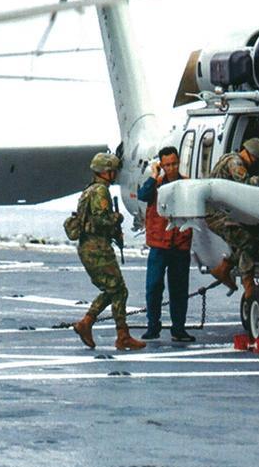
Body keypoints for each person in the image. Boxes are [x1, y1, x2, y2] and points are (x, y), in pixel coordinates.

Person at [71, 153, 146, 351]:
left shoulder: (90, 190)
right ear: (106, 172)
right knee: (119, 290)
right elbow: (99, 221)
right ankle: (122, 335)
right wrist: (117, 218)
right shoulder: (100, 191)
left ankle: (87, 323)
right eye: (113, 171)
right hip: (97, 248)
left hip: (90, 246)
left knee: (113, 289)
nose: (115, 174)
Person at [138, 146, 194, 342]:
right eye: (167, 165)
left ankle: (179, 329)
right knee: (153, 287)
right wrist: (154, 176)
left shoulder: (187, 184)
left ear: (179, 163)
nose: (171, 168)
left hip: (180, 245)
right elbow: (142, 195)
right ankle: (153, 326)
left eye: (174, 164)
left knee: (179, 289)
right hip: (159, 245)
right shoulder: (155, 185)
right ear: (161, 165)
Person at [205, 138, 259, 301]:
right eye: (255, 158)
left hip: (219, 213)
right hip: (217, 215)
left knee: (244, 240)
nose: (254, 162)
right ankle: (247, 281)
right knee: (247, 241)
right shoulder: (235, 162)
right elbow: (247, 184)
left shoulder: (229, 157)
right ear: (249, 153)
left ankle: (223, 268)